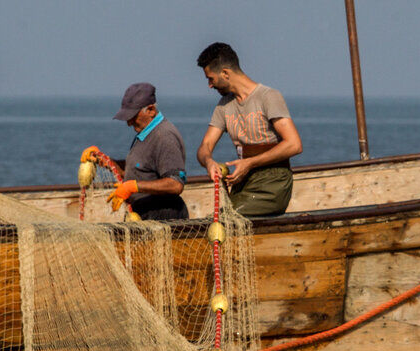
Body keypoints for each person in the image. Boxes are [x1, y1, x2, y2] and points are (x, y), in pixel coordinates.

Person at [194, 42, 302, 217]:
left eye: (211, 78)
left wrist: (250, 163)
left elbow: (294, 145)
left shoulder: (268, 97)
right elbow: (205, 146)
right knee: (218, 219)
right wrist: (208, 162)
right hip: (244, 183)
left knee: (224, 219)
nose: (210, 85)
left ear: (225, 73)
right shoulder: (223, 105)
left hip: (273, 183)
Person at [85, 82, 189, 220]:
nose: (129, 123)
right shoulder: (145, 132)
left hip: (164, 216)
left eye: (133, 116)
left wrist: (132, 187)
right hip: (142, 213)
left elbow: (175, 184)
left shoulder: (164, 136)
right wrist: (108, 162)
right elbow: (140, 170)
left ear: (151, 110)